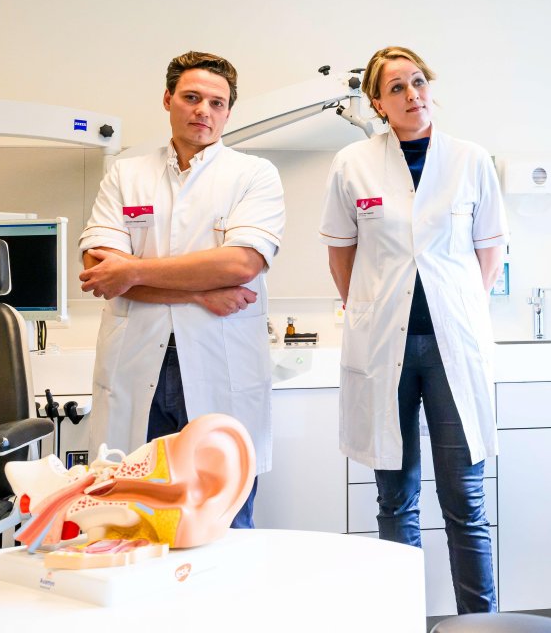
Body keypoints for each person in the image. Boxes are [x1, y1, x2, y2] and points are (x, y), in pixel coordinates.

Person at [319, 46, 507, 614]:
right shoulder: (353, 164)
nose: (411, 95)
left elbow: (489, 249)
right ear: (376, 102)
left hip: (452, 350)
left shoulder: (470, 159)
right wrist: (373, 311)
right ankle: (400, 620)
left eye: (418, 82)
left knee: (464, 500)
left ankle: (481, 626)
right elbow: (341, 254)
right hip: (385, 350)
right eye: (395, 87)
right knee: (395, 500)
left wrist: (460, 309)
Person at [79, 51, 285, 529]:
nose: (203, 111)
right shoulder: (127, 175)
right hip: (138, 365)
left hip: (219, 366)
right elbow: (100, 272)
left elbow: (242, 262)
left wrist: (134, 271)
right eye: (192, 98)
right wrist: (197, 290)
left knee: (225, 523)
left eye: (217, 103)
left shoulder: (253, 176)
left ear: (229, 111)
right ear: (168, 99)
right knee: (130, 522)